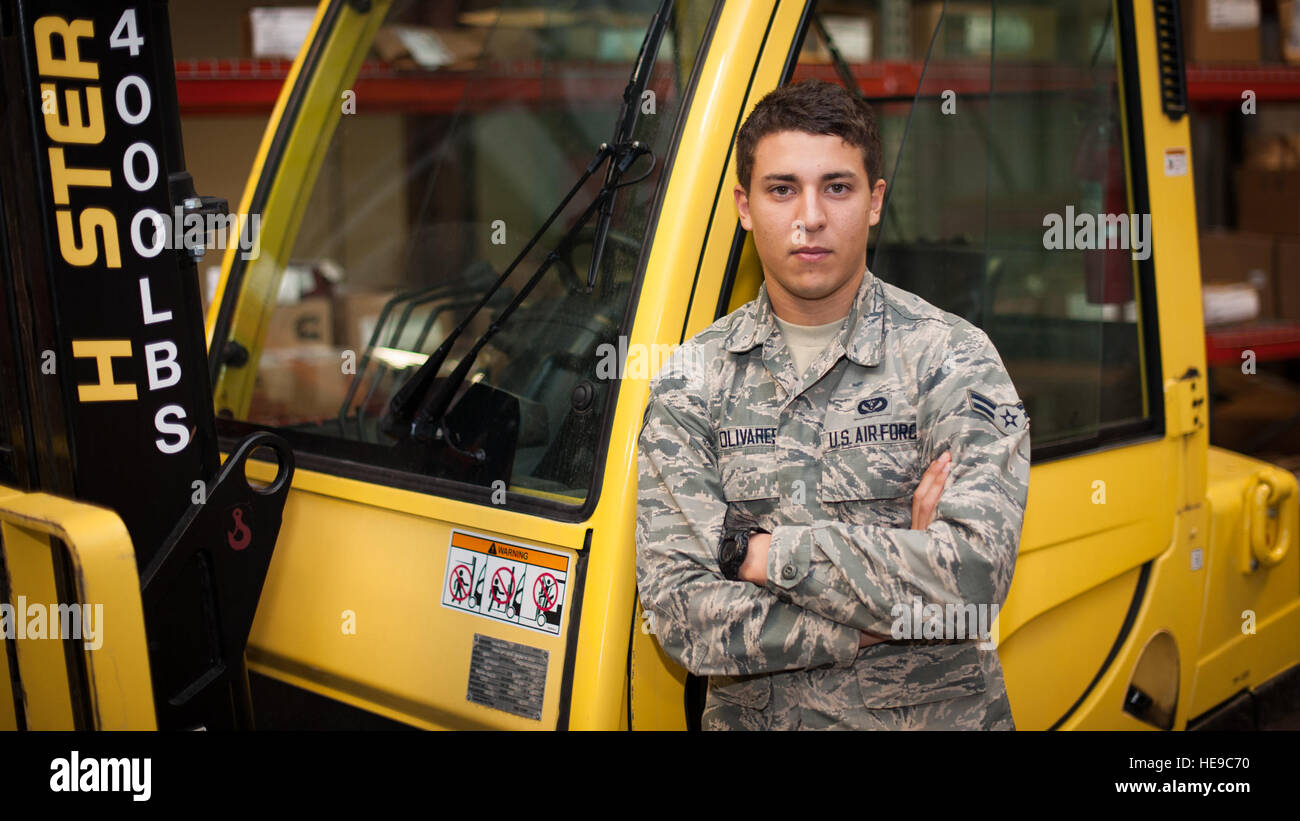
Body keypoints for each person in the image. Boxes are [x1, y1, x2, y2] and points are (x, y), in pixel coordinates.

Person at [634, 79, 1031, 730]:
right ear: (744, 204)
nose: (809, 216)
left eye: (837, 187)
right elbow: (682, 619)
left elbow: (974, 580)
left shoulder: (953, 360)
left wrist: (760, 555)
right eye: (782, 188)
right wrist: (888, 602)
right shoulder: (691, 383)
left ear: (875, 201)